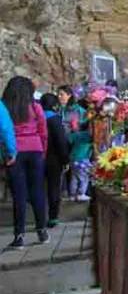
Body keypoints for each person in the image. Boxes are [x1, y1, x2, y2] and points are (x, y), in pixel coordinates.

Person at [3, 76, 49, 249]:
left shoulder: (6, 108)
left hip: (14, 152)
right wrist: (42, 150)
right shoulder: (35, 106)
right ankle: (42, 230)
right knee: (37, 190)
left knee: (19, 194)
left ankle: (19, 235)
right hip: (35, 150)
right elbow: (43, 130)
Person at [40, 93, 70, 227]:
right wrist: (65, 160)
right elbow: (61, 142)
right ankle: (52, 217)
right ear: (54, 105)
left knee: (38, 188)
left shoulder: (36, 118)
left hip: (37, 157)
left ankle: (39, 218)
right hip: (53, 159)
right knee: (53, 187)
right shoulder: (55, 120)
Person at [68, 118, 93, 202]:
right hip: (81, 160)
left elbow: (68, 138)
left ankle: (72, 195)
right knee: (84, 177)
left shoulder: (79, 134)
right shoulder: (91, 137)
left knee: (74, 177)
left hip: (72, 159)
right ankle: (81, 194)